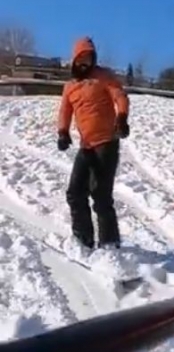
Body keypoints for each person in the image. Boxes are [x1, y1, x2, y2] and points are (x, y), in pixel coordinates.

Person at [57, 37, 130, 250]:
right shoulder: (70, 86)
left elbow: (120, 96)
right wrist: (62, 132)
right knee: (75, 192)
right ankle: (83, 240)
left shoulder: (103, 76)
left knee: (100, 194)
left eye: (89, 57)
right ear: (75, 59)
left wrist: (122, 118)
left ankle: (110, 245)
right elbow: (64, 111)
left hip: (106, 142)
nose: (85, 62)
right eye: (81, 58)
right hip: (86, 146)